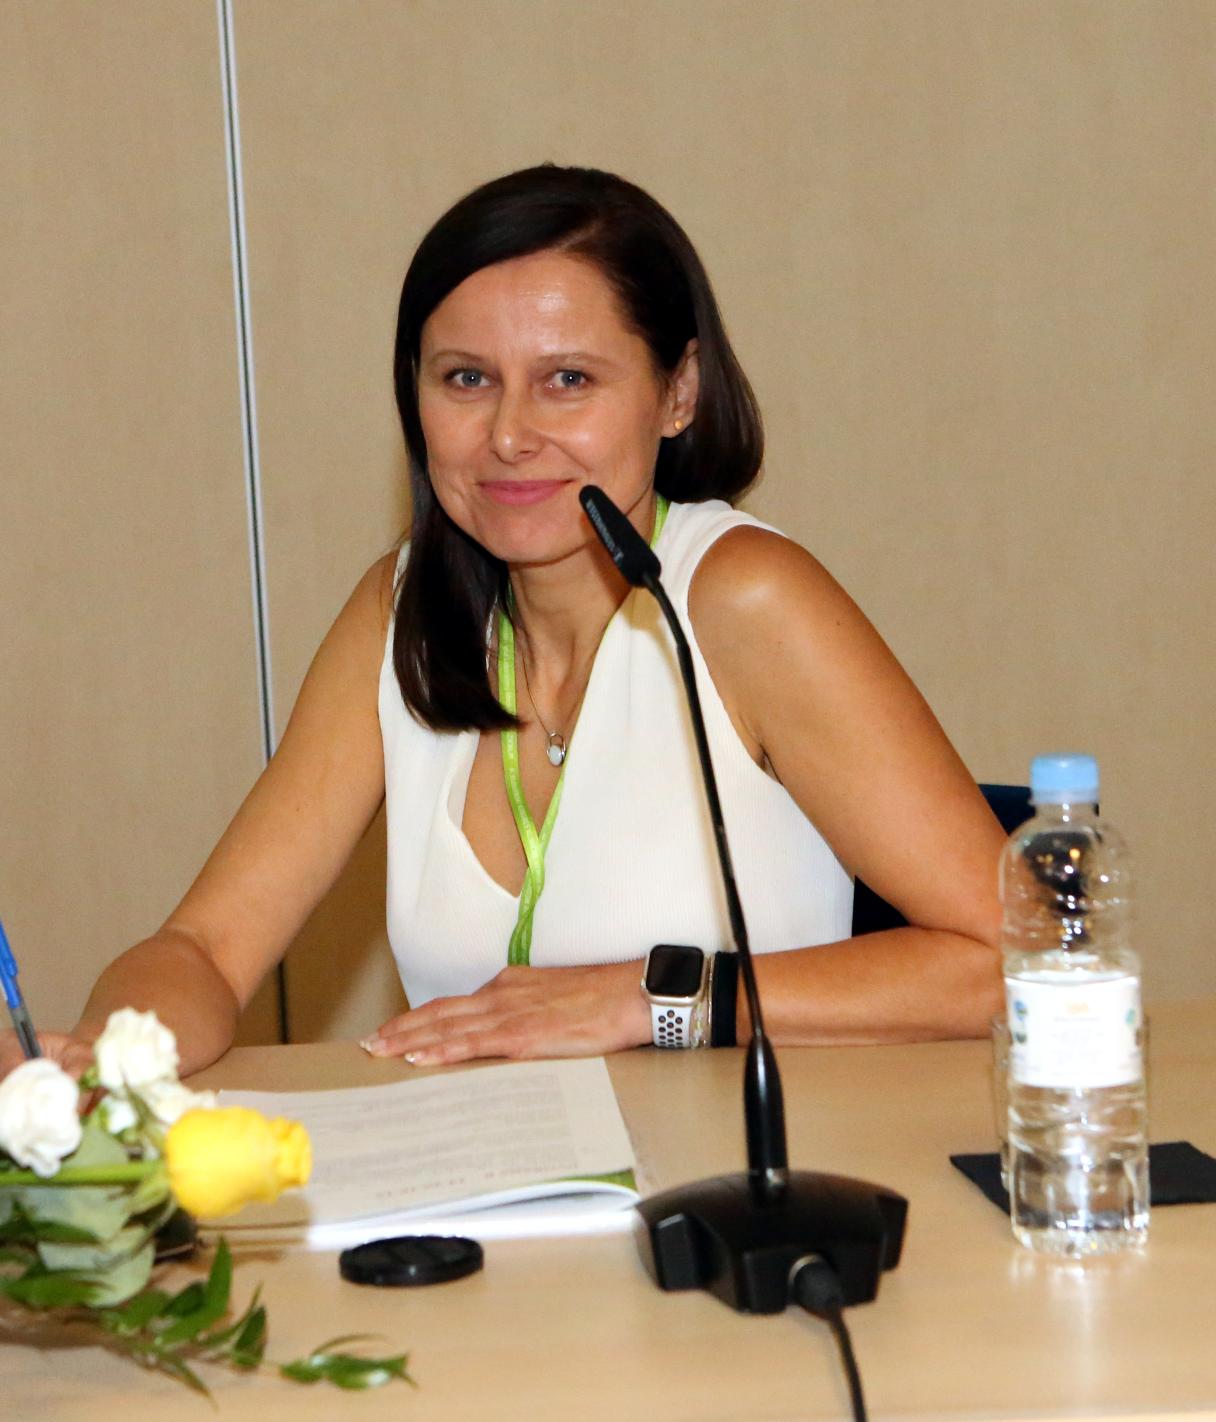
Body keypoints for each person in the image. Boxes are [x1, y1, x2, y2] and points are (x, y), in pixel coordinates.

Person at [2, 165, 1004, 1082]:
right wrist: (100, 1066)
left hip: (733, 1194)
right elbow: (205, 950)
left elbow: (1010, 960)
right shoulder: (399, 613)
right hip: (483, 1200)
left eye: (568, 380)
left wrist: (641, 998)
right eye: (466, 379)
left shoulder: (744, 598)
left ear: (678, 393)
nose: (510, 435)